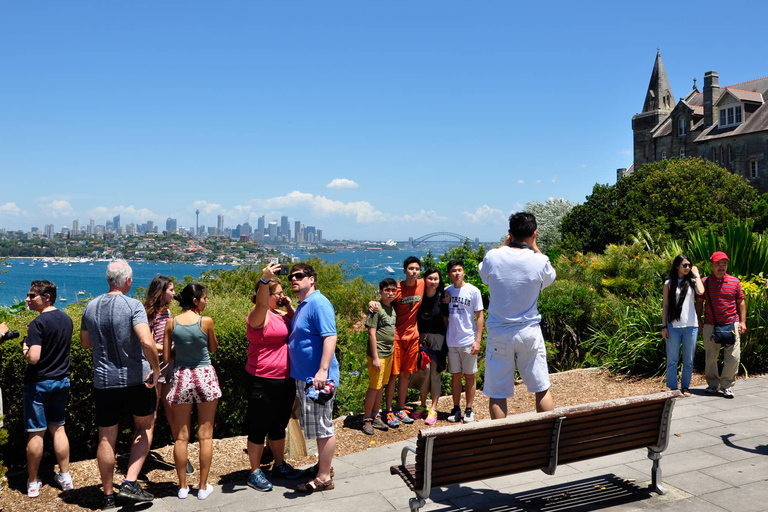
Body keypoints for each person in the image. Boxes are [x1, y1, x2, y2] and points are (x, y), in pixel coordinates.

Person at [80, 259, 161, 509]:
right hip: (137, 378)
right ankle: (130, 483)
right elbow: (147, 342)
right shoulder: (133, 305)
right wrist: (156, 369)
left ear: (108, 280)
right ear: (127, 281)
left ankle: (106, 496)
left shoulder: (90, 307)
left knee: (106, 437)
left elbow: (85, 343)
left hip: (104, 381)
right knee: (144, 427)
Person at [479, 212, 556, 419]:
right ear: (535, 233)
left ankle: (501, 442)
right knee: (541, 388)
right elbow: (549, 279)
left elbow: (484, 276)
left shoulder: (493, 256)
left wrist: (503, 246)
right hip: (529, 331)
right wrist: (535, 248)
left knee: (497, 394)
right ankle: (547, 436)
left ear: (510, 233)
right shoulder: (540, 260)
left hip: (499, 333)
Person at [243, 263, 302, 492]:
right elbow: (260, 302)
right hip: (261, 378)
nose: (281, 296)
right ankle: (255, 472)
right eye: (277, 294)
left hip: (285, 378)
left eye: (280, 293)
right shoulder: (259, 315)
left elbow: (298, 325)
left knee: (279, 424)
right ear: (266, 294)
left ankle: (279, 465)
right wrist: (265, 281)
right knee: (259, 426)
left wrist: (288, 306)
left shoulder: (279, 313)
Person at [163, 283, 220, 499]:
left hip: (182, 377)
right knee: (205, 435)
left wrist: (182, 345)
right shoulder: (206, 322)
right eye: (204, 298)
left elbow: (167, 357)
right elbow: (213, 348)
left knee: (181, 436)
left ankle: (183, 487)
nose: (206, 301)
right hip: (204, 375)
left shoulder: (172, 323)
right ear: (195, 300)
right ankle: (203, 487)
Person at [287, 263, 339, 493]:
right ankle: (323, 467)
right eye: (291, 277)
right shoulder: (304, 304)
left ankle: (323, 478)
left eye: (299, 276)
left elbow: (330, 337)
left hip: (316, 379)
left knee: (322, 427)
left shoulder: (319, 302)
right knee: (317, 427)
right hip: (305, 377)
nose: (294, 280)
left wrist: (323, 371)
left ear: (312, 279)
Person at [21, 280, 74, 498]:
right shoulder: (67, 320)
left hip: (39, 382)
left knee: (36, 432)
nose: (27, 299)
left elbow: (34, 358)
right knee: (58, 428)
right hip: (61, 380)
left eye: (32, 296)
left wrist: (24, 346)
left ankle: (33, 482)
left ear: (47, 297)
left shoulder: (37, 324)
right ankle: (65, 475)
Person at [143, 276, 194, 475]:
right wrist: (167, 350)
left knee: (173, 411)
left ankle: (182, 456)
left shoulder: (168, 312)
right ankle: (141, 457)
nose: (173, 293)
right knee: (151, 415)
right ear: (161, 291)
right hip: (155, 366)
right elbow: (147, 342)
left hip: (169, 365)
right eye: (170, 290)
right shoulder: (149, 313)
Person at [370, 256, 424, 427]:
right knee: (393, 376)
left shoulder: (422, 284)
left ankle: (400, 408)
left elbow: (436, 286)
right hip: (397, 338)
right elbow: (383, 302)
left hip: (413, 337)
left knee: (406, 375)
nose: (414, 272)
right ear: (405, 271)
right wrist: (371, 302)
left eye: (417, 269)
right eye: (411, 269)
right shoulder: (397, 289)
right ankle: (388, 410)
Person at [695, 251, 746, 399]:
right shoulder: (704, 282)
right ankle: (712, 384)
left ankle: (727, 386)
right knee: (711, 356)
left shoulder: (735, 282)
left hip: (732, 323)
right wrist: (699, 320)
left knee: (734, 357)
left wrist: (742, 321)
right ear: (711, 265)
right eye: (718, 264)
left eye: (724, 264)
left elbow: (741, 302)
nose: (721, 267)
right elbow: (699, 302)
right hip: (711, 324)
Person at [444, 260, 484, 423]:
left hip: (468, 340)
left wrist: (478, 340)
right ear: (449, 274)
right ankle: (456, 408)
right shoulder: (447, 291)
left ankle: (469, 409)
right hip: (452, 341)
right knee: (455, 375)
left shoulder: (473, 291)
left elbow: (479, 316)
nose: (457, 273)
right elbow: (444, 315)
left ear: (464, 272)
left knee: (469, 376)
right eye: (453, 271)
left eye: (459, 270)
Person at [661, 255, 704, 397]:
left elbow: (701, 292)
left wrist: (697, 275)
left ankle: (685, 386)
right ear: (676, 266)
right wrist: (664, 326)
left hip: (691, 325)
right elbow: (665, 305)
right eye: (684, 265)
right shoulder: (669, 283)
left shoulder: (692, 282)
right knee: (672, 359)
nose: (687, 268)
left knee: (689, 359)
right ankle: (673, 387)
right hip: (673, 326)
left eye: (689, 265)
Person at [411, 267, 448, 425]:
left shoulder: (443, 298)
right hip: (421, 340)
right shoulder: (419, 297)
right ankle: (422, 406)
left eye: (436, 279)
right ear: (424, 280)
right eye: (430, 278)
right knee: (424, 373)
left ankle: (433, 409)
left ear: (439, 281)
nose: (433, 281)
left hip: (438, 339)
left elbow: (446, 322)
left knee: (435, 375)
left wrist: (446, 343)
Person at [362, 278, 398, 435]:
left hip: (389, 353)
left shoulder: (392, 307)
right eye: (387, 290)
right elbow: (371, 332)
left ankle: (376, 415)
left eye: (393, 290)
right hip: (379, 354)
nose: (390, 293)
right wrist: (375, 357)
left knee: (381, 385)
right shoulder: (376, 308)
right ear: (381, 291)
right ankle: (366, 419)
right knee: (374, 386)